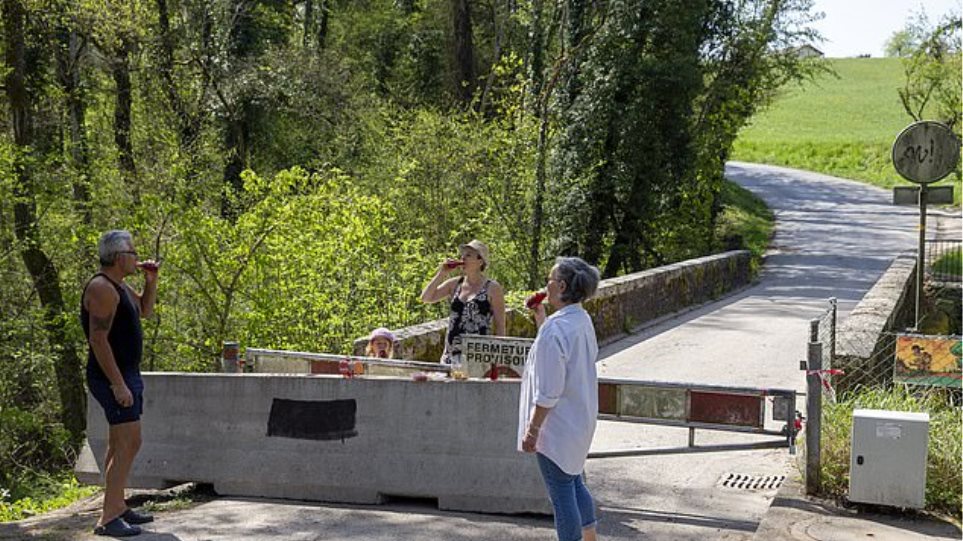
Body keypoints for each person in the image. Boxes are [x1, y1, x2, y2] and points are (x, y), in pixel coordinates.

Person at [82, 230, 159, 537]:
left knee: (124, 443)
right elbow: (98, 339)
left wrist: (150, 282)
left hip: (127, 373)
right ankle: (108, 518)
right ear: (117, 257)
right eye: (132, 252)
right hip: (111, 376)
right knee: (128, 442)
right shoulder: (101, 288)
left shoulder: (120, 286)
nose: (137, 257)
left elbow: (145, 310)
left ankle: (118, 505)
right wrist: (117, 384)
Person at [519, 256, 601, 541]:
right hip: (580, 418)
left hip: (558, 425)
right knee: (574, 481)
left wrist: (533, 430)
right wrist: (541, 319)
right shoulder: (580, 319)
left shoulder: (557, 329)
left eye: (550, 280)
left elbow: (549, 390)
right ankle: (590, 537)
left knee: (561, 494)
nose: (546, 285)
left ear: (562, 286)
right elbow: (559, 354)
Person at [419, 239, 506, 364]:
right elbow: (426, 297)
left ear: (480, 261)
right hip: (451, 355)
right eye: (463, 255)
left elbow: (500, 326)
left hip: (478, 357)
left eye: (468, 255)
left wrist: (497, 359)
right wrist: (442, 273)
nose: (463, 258)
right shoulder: (455, 283)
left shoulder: (492, 288)